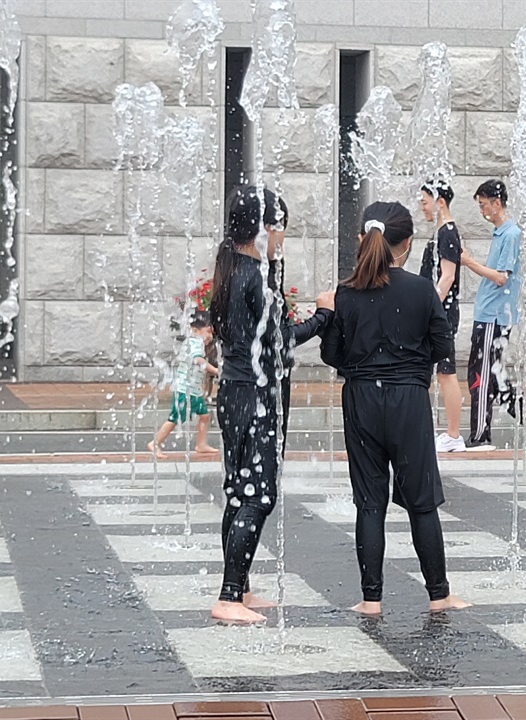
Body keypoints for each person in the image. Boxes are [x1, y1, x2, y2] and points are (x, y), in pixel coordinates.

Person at [320, 201, 471, 616]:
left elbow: (332, 355)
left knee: (370, 501)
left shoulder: (346, 292)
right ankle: (438, 594)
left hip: (361, 398)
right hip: (408, 399)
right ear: (404, 244)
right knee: (421, 501)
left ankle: (371, 599)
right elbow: (442, 348)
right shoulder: (421, 290)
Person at [207, 185, 335, 625]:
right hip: (257, 393)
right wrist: (323, 317)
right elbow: (280, 344)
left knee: (237, 490)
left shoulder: (231, 267)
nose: (282, 237)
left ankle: (238, 587)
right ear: (263, 229)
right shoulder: (254, 276)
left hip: (234, 390)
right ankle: (228, 596)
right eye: (279, 228)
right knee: (259, 495)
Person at [458, 179, 526, 451]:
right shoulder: (501, 233)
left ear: (496, 203)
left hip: (494, 317)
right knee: (494, 377)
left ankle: (480, 435)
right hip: (489, 315)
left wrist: (469, 262)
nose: (481, 211)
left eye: (483, 205)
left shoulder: (511, 235)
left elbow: (501, 278)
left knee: (481, 376)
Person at [417, 183, 466, 453]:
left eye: (425, 202)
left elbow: (447, 276)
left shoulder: (447, 233)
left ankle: (453, 434)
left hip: (441, 314)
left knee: (446, 373)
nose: (422, 207)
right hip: (439, 312)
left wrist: (429, 308)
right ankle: (447, 432)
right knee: (441, 372)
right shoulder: (442, 233)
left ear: (440, 203)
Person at [148, 312, 218, 458]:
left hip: (192, 390)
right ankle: (155, 443)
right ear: (195, 331)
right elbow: (197, 360)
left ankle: (201, 444)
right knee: (174, 419)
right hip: (185, 391)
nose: (210, 336)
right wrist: (215, 370)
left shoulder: (192, 341)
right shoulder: (196, 342)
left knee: (204, 416)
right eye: (208, 332)